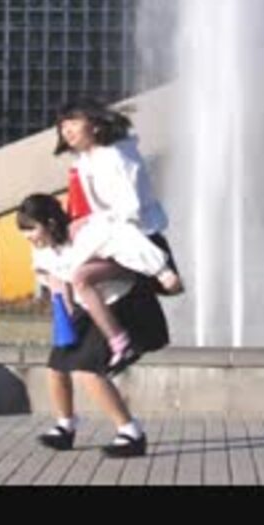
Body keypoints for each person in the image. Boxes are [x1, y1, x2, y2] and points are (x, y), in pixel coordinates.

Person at [17, 194, 170, 457]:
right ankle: (65, 426)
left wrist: (163, 272)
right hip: (86, 307)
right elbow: (55, 280)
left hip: (123, 303)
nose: (28, 237)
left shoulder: (87, 233)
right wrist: (64, 320)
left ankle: (131, 433)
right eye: (24, 231)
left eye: (31, 229)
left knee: (88, 370)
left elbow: (128, 239)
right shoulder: (43, 249)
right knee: (57, 365)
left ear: (51, 223)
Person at [53, 100, 182, 372]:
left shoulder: (113, 158)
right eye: (63, 125)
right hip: (113, 240)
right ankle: (118, 339)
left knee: (80, 277)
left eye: (74, 122)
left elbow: (129, 210)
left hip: (137, 240)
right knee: (72, 275)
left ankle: (121, 339)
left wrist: (89, 222)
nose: (67, 130)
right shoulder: (87, 161)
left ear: (95, 126)